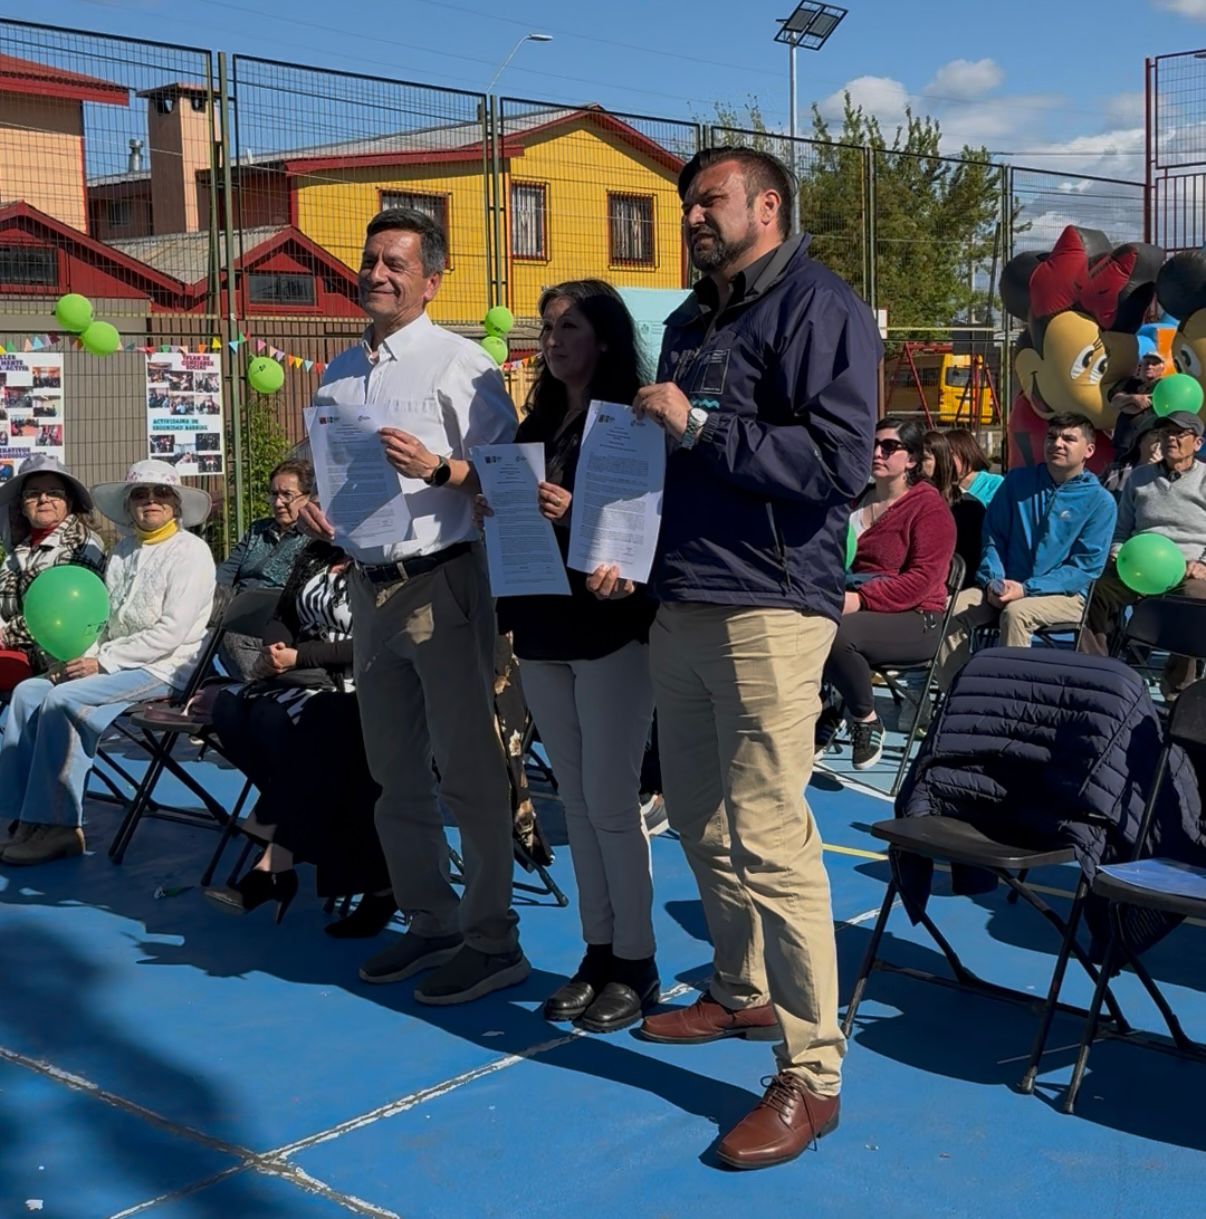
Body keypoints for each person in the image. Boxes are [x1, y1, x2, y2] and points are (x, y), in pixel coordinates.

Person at [603, 145, 880, 1168]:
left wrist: (705, 424)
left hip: (771, 601)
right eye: (688, 205)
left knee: (770, 832)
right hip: (683, 592)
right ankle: (740, 990)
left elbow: (839, 463)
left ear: (768, 204)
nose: (693, 218)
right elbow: (660, 453)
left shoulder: (820, 307)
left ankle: (814, 1074)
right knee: (700, 813)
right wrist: (620, 545)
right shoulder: (690, 318)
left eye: (709, 201)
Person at [299, 207, 528, 1005]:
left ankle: (493, 938)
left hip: (443, 585)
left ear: (433, 279)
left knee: (467, 772)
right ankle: (430, 920)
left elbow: (508, 483)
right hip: (368, 588)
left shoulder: (460, 366)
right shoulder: (337, 375)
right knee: (393, 772)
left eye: (394, 262)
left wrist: (440, 467)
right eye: (368, 260)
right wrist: (330, 516)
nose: (376, 273)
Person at [482, 279, 658, 1034]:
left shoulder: (631, 423)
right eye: (547, 326)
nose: (553, 339)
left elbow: (642, 525)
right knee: (577, 803)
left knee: (614, 802)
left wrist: (572, 511)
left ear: (607, 338)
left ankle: (638, 962)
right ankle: (597, 950)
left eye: (571, 326)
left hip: (610, 628)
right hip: (544, 624)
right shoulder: (543, 418)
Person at [0, 460, 214, 867]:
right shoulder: (124, 550)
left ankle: (62, 827)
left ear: (176, 504)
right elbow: (102, 618)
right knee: (30, 691)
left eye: (161, 494)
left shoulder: (192, 552)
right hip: (113, 658)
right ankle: (23, 817)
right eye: (140, 494)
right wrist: (84, 656)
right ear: (129, 505)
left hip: (164, 668)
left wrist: (101, 661)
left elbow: (171, 633)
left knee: (66, 701)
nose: (151, 502)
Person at [204, 538, 392, 930]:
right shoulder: (317, 553)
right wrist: (277, 647)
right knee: (231, 708)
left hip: (362, 682)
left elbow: (380, 641)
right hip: (301, 674)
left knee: (307, 726)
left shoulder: (384, 557)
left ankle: (277, 860)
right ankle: (297, 847)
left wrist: (301, 657)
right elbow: (284, 612)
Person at [928, 412, 1116, 703]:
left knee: (1018, 613)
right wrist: (993, 580)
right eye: (1052, 436)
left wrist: (1027, 589)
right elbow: (993, 537)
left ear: (1089, 450)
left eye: (1069, 438)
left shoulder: (1100, 502)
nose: (1058, 443)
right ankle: (959, 700)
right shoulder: (1017, 482)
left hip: (1064, 596)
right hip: (1001, 586)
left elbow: (1084, 568)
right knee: (948, 610)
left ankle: (1009, 702)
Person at [815, 417, 955, 769]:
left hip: (915, 617)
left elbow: (922, 581)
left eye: (889, 447)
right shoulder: (855, 499)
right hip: (850, 604)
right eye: (873, 445)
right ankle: (827, 708)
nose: (877, 452)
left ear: (911, 460)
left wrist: (861, 600)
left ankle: (864, 717)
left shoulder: (929, 508)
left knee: (834, 633)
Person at [1081, 410, 1206, 697]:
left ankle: (1177, 687)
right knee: (1095, 588)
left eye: (1178, 434)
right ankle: (1097, 674)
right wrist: (1117, 551)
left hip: (1187, 570)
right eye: (1165, 433)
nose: (1170, 439)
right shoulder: (1139, 478)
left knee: (1197, 600)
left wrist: (1203, 564)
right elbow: (1121, 529)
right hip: (1137, 566)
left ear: (1197, 443)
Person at [0, 454, 106, 690]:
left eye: (54, 493)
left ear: (68, 501)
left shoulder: (81, 544)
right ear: (22, 506)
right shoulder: (21, 548)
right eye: (33, 494)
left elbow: (65, 612)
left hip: (57, 660)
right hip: (19, 652)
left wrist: (6, 636)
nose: (43, 499)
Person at [214, 458, 313, 679]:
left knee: (232, 636)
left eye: (287, 495)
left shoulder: (313, 538)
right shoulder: (257, 530)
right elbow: (226, 573)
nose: (278, 503)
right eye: (274, 494)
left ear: (308, 497)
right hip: (238, 609)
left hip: (280, 617)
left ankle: (258, 686)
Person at [924, 428, 983, 588]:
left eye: (924, 459)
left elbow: (968, 565)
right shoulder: (905, 501)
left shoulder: (969, 507)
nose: (914, 465)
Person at [1110, 350, 1166, 459]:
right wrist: (1134, 398)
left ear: (1162, 368)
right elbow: (1115, 399)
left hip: (1150, 445)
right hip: (1124, 443)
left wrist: (1126, 403)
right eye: (1147, 363)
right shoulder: (1129, 383)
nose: (1149, 366)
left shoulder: (1164, 386)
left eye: (1154, 363)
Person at [1101, 410, 1163, 496]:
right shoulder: (1117, 473)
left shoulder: (1172, 476)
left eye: (1165, 434)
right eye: (1155, 433)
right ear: (1139, 440)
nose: (1160, 439)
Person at [946, 427, 1003, 505]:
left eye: (951, 455)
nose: (945, 461)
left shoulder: (995, 484)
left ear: (968, 453)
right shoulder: (942, 487)